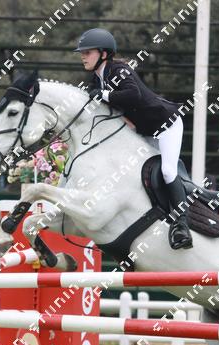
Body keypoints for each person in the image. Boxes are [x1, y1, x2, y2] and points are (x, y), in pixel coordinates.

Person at [75, 28, 191, 249]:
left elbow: (133, 95)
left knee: (168, 171)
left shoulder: (118, 70)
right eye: (82, 52)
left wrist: (104, 94)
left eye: (87, 52)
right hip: (146, 130)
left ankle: (182, 224)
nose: (83, 56)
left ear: (104, 54)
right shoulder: (97, 78)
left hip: (166, 124)